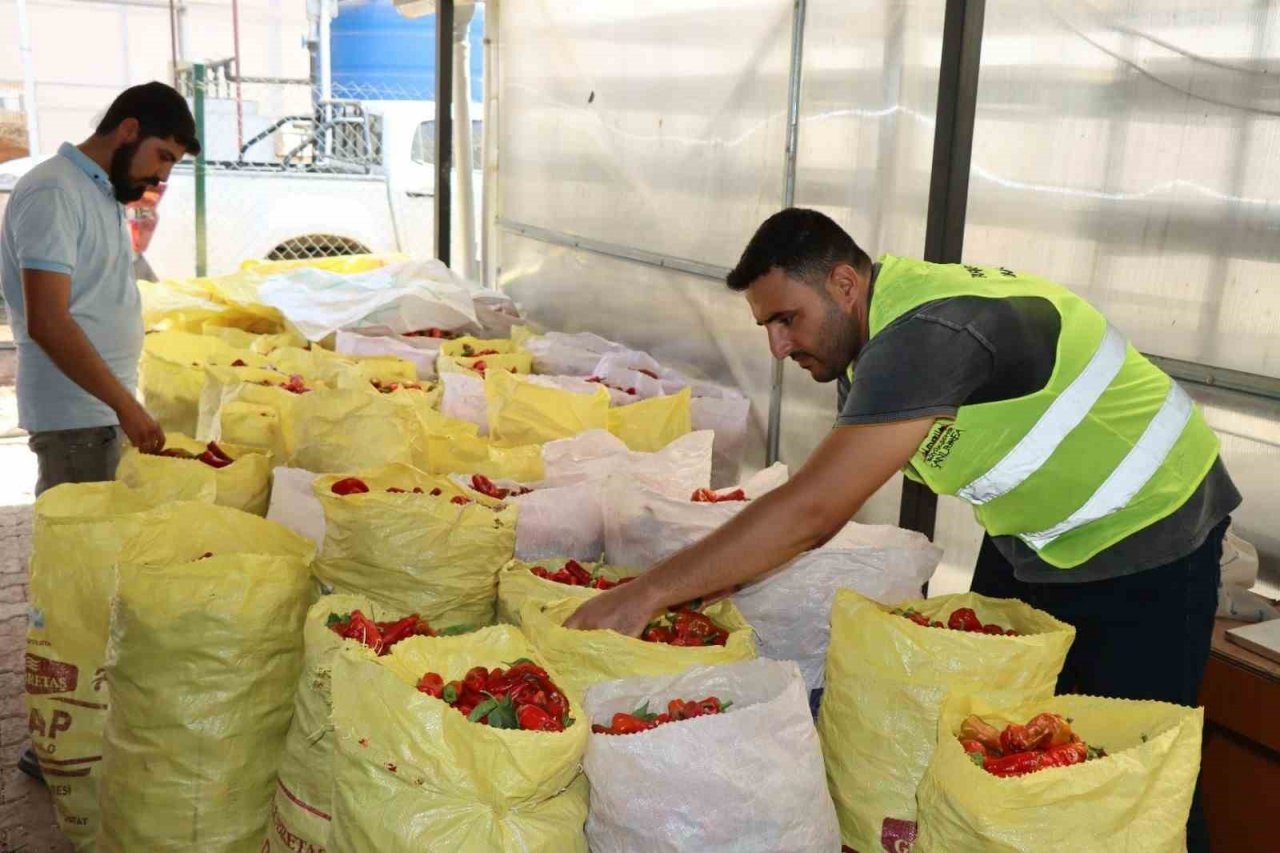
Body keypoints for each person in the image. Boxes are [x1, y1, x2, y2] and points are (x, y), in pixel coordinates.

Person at [566, 207, 1236, 852]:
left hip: (1152, 532)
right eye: (766, 326)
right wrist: (690, 581)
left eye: (786, 318)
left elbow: (811, 512)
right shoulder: (870, 351)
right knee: (1004, 739)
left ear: (844, 284)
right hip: (1038, 539)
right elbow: (817, 506)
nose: (776, 345)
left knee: (1131, 772)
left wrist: (646, 594)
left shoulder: (927, 336)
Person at [0, 82, 199, 780]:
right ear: (128, 129)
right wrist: (127, 405)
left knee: (98, 579)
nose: (162, 176)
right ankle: (59, 745)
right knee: (78, 590)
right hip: (79, 420)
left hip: (99, 414)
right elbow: (50, 320)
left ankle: (82, 727)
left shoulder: (98, 192)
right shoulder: (53, 191)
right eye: (162, 156)